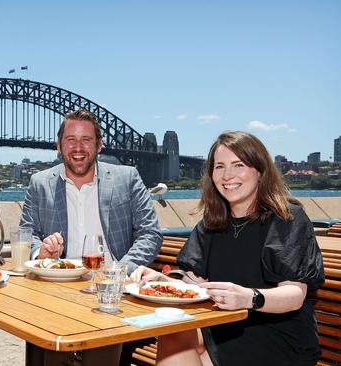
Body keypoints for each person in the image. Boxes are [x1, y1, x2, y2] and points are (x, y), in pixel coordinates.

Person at [131, 131, 324, 366]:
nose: (227, 175)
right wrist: (160, 280)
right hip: (224, 327)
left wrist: (250, 298)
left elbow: (294, 296)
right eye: (219, 166)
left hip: (276, 337)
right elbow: (195, 284)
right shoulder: (213, 222)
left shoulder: (287, 218)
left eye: (238, 165)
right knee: (174, 333)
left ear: (260, 171)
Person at [19, 108, 162, 270]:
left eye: (86, 139)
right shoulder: (39, 183)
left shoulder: (128, 178)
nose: (78, 147)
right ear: (59, 146)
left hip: (112, 283)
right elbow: (27, 233)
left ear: (99, 145)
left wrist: (121, 270)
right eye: (70, 139)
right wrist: (40, 254)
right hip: (58, 280)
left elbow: (150, 234)